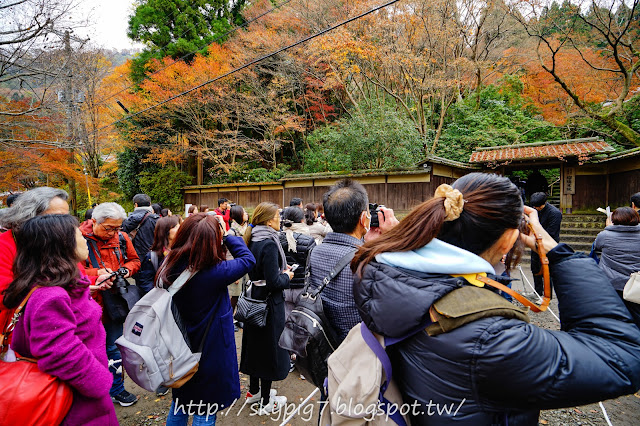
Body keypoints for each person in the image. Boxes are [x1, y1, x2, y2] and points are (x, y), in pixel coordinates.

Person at [350, 173, 640, 425]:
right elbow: (622, 356)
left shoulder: (384, 271)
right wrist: (556, 251)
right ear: (506, 240)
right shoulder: (493, 337)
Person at [4, 214, 117, 425]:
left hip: (80, 395)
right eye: (78, 234)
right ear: (61, 244)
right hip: (76, 402)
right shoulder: (50, 296)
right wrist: (101, 383)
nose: (84, 237)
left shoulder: (58, 284)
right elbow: (61, 354)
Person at [159, 213, 255, 426]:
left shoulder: (170, 265)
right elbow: (248, 259)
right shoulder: (214, 272)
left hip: (178, 346)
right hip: (210, 348)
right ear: (213, 240)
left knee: (181, 402)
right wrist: (228, 233)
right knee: (205, 406)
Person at [307, 179, 397, 344]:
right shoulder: (369, 261)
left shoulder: (315, 251)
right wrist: (395, 237)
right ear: (364, 218)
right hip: (360, 347)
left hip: (327, 343)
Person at [80, 202, 141, 407]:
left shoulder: (121, 238)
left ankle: (117, 390)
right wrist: (97, 274)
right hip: (88, 304)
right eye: (109, 228)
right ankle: (94, 391)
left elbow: (135, 261)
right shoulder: (77, 239)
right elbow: (71, 273)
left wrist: (124, 270)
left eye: (117, 227)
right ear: (94, 221)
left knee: (114, 348)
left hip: (115, 302)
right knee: (91, 350)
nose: (113, 233)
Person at [240, 202, 294, 415]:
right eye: (278, 216)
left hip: (253, 299)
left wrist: (279, 272)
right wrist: (287, 276)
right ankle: (265, 402)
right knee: (269, 349)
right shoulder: (270, 243)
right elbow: (274, 282)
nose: (280, 219)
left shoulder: (252, 238)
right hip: (270, 304)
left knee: (254, 346)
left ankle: (253, 391)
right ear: (269, 220)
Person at [0, 187, 72, 310]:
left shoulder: (58, 242)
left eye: (67, 218)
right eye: (58, 218)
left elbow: (75, 274)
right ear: (30, 216)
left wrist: (94, 279)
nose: (65, 224)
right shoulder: (4, 245)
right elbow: (4, 297)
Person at [593, 206, 640, 326]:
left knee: (614, 317)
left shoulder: (605, 236)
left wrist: (608, 227)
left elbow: (596, 248)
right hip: (636, 284)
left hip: (612, 282)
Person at [279, 207, 316, 319]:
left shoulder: (277, 237)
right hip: (302, 287)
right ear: (301, 221)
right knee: (301, 321)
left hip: (284, 285)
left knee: (286, 321)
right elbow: (312, 265)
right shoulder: (308, 239)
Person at [529, 191, 562, 300]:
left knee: (546, 271)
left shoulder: (555, 213)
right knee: (535, 268)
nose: (535, 208)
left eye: (538, 206)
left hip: (548, 245)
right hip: (535, 244)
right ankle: (537, 292)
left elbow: (551, 233)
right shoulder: (533, 210)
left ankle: (547, 296)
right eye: (534, 206)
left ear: (544, 202)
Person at [136, 216, 180, 294]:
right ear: (165, 231)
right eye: (175, 226)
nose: (179, 228)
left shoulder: (184, 251)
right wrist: (158, 296)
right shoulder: (153, 256)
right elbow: (146, 281)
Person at [226, 205, 249, 331]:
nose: (246, 214)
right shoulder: (232, 232)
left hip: (244, 267)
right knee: (234, 296)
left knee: (242, 295)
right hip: (236, 268)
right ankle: (229, 320)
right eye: (244, 212)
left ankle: (238, 319)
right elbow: (229, 254)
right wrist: (234, 272)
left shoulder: (245, 229)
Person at [122, 193, 160, 260]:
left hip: (134, 257)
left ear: (135, 205)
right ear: (150, 204)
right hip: (152, 256)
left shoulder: (127, 220)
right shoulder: (156, 220)